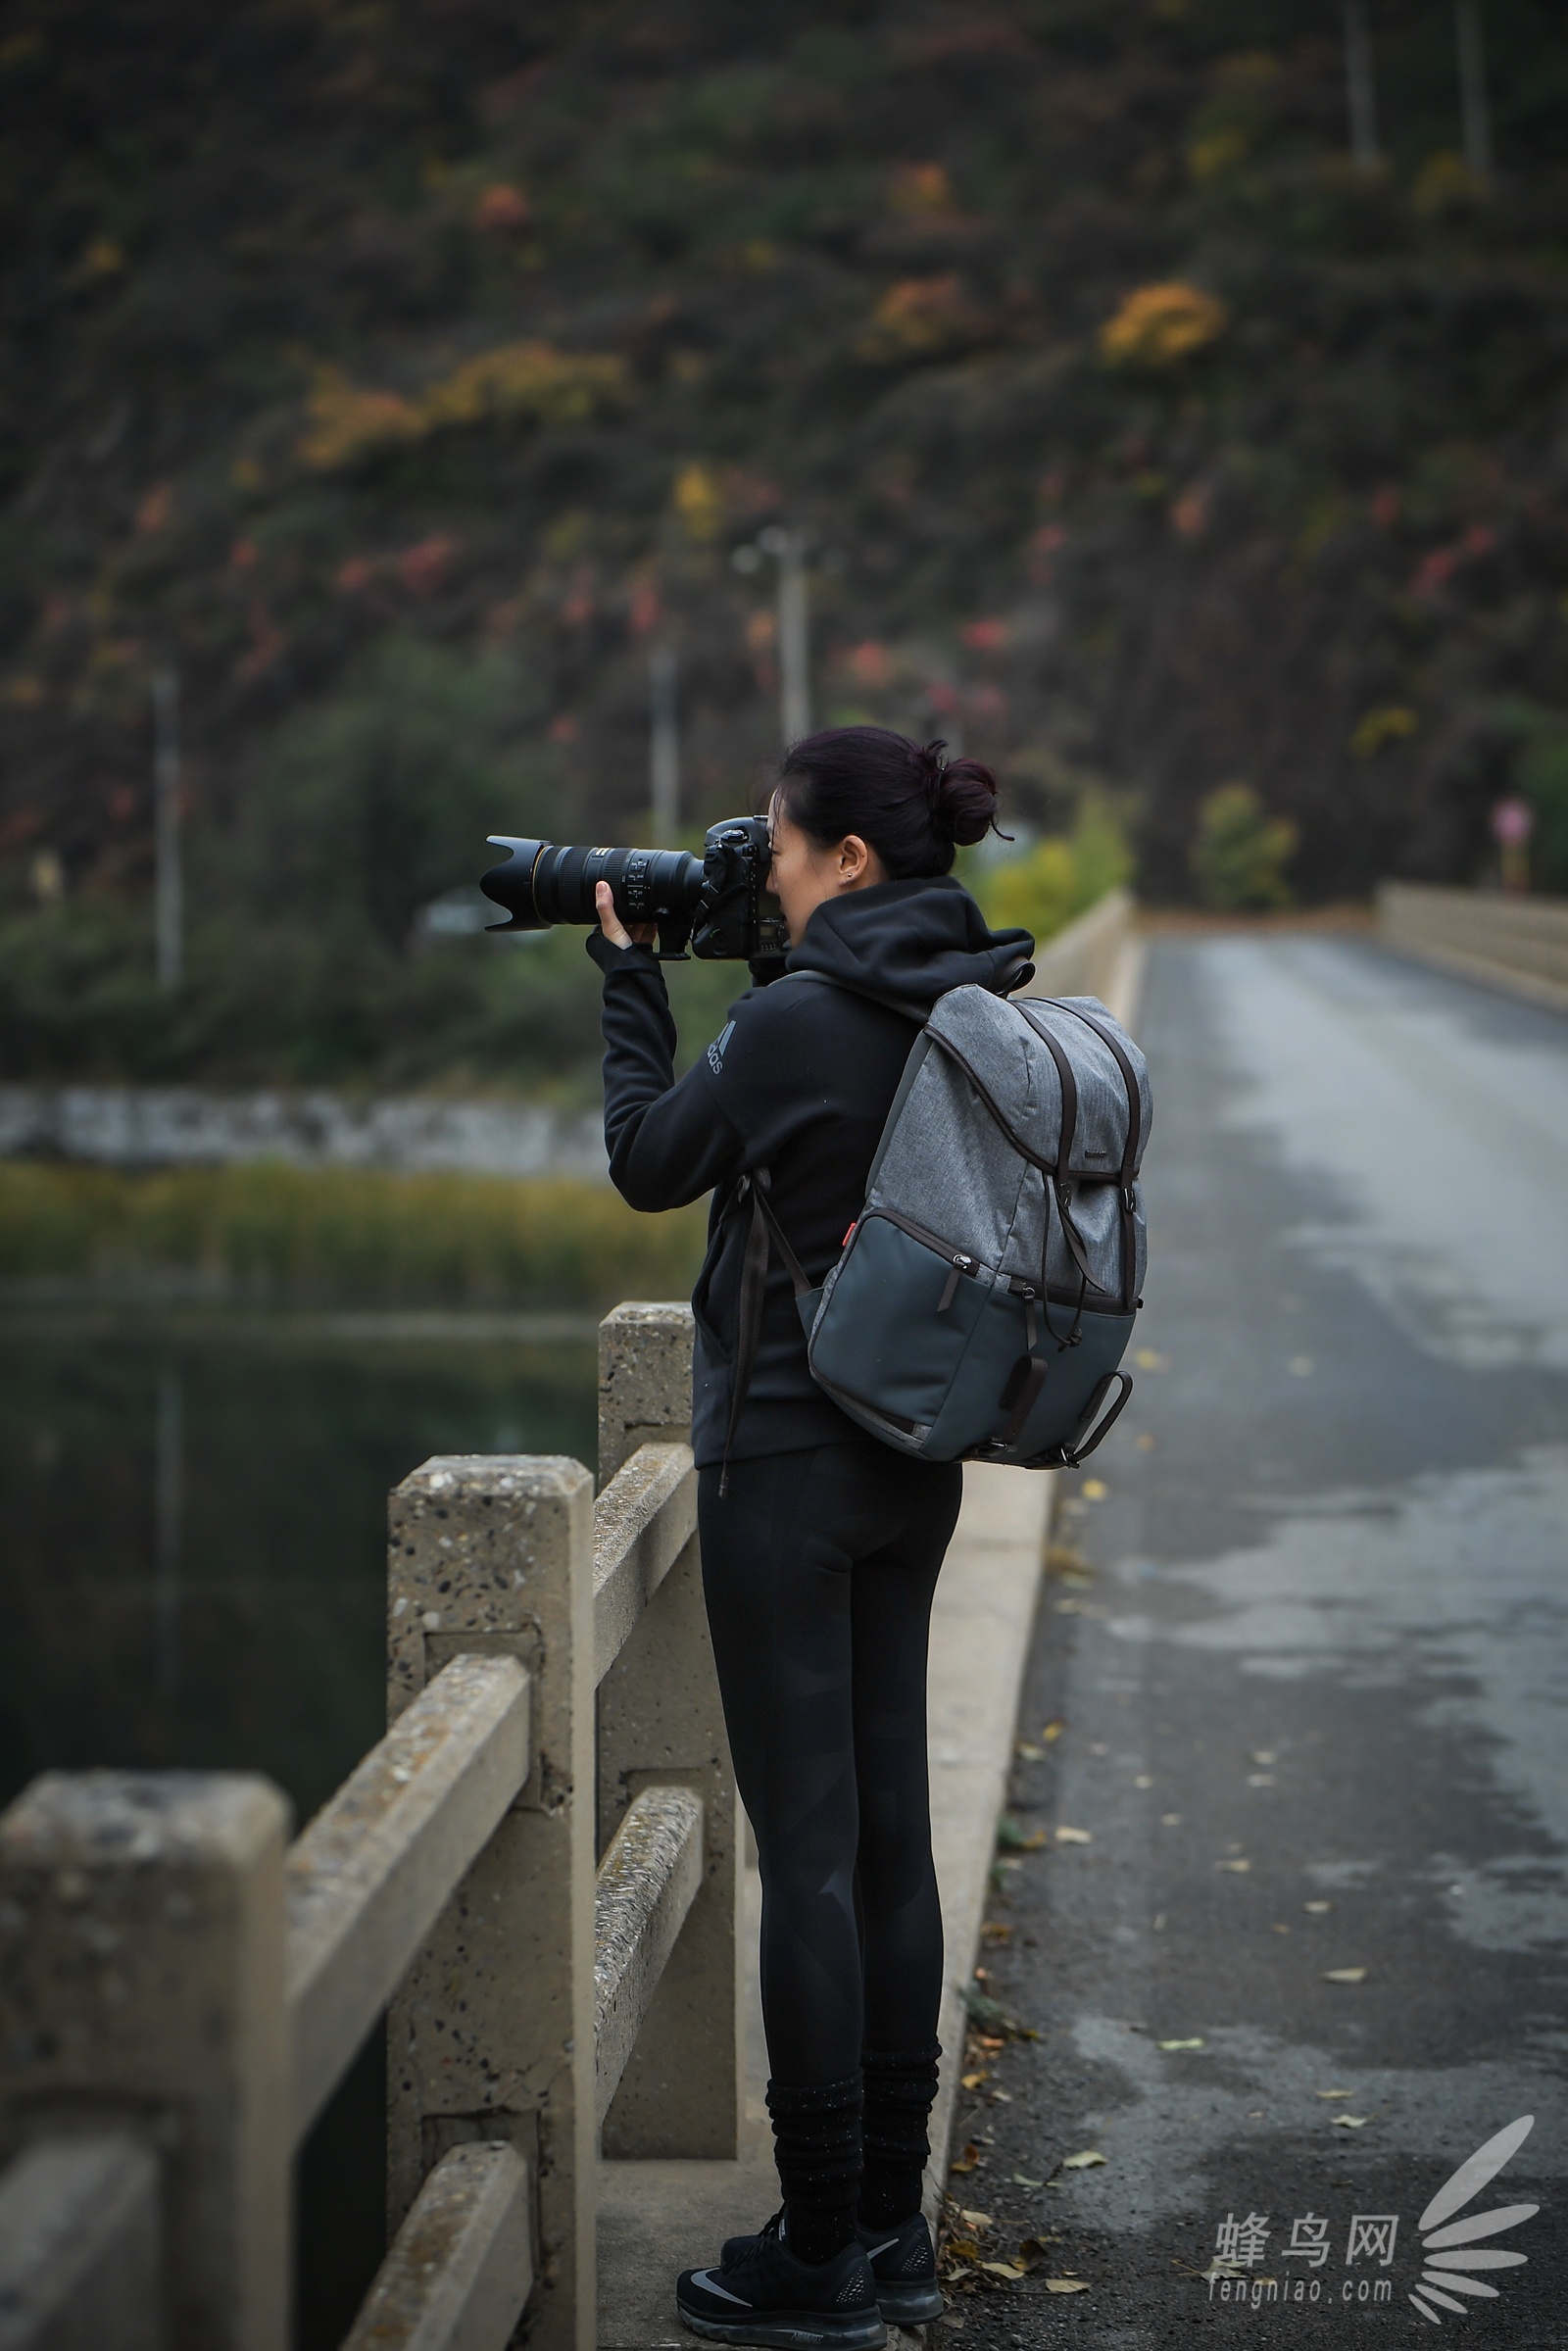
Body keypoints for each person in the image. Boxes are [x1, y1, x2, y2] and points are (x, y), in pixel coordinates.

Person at [588, 726, 1034, 2347]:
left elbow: (649, 1164)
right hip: (919, 1460)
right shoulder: (978, 1004)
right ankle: (893, 2230)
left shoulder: (792, 1024)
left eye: (777, 844)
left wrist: (629, 985)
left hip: (784, 1463)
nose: (761, 867)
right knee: (894, 1844)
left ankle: (818, 2250)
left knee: (813, 1865)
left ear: (847, 861)